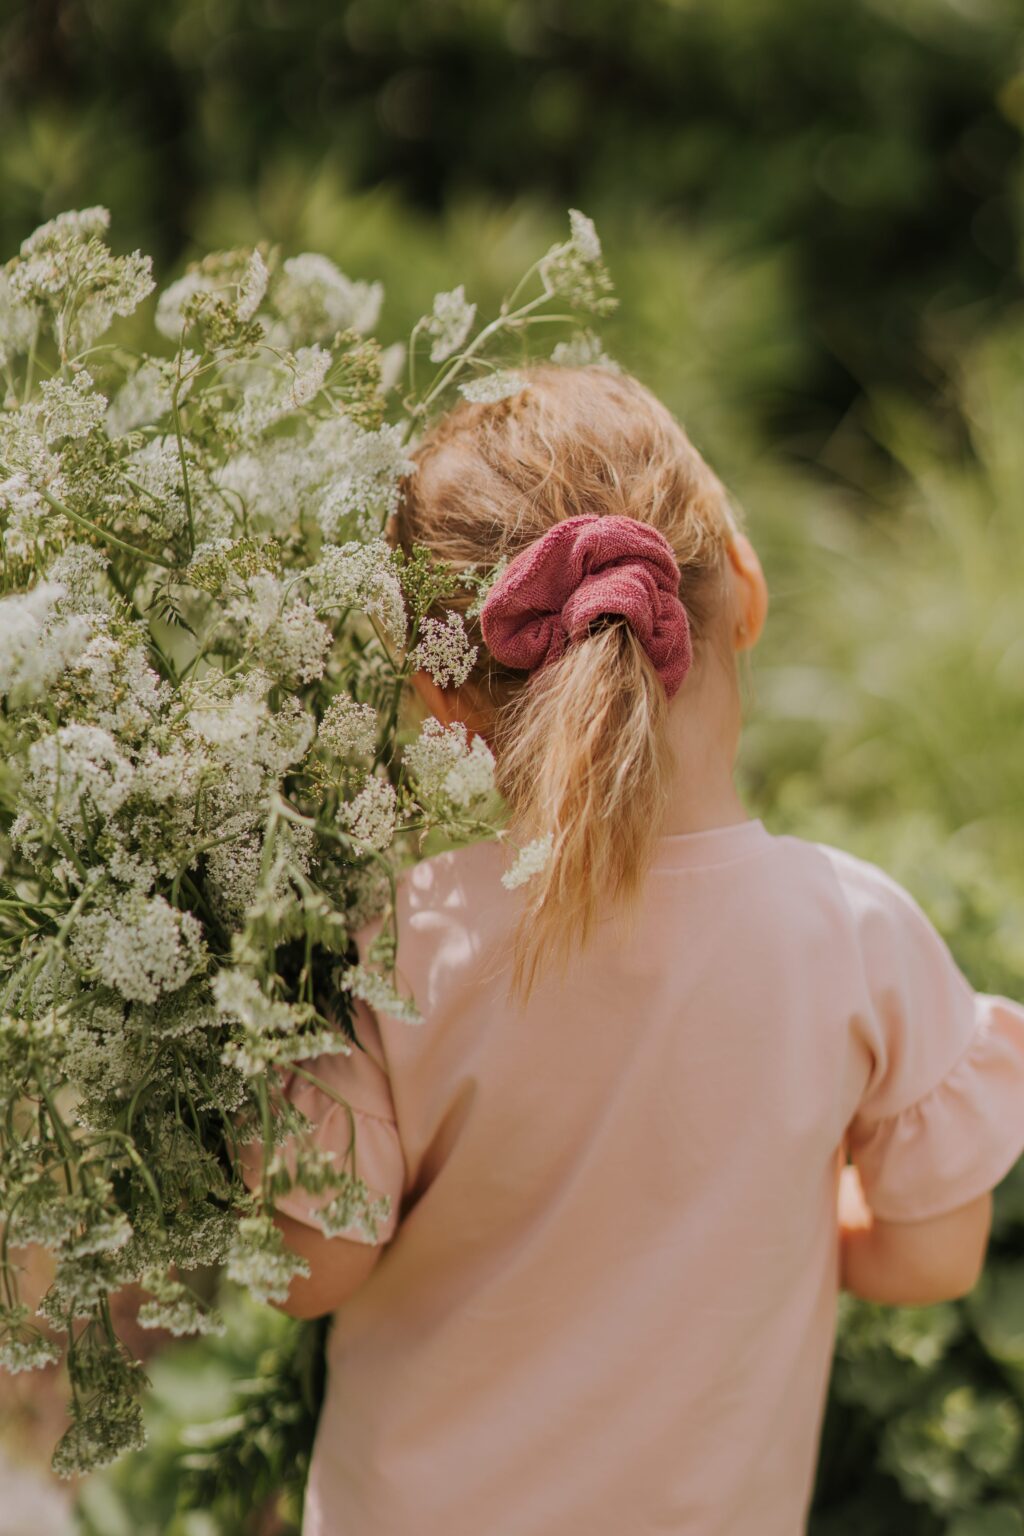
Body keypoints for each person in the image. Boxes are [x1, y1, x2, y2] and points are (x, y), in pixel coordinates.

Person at [243, 364, 1024, 1535]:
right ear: (744, 591)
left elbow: (313, 1274)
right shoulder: (857, 936)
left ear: (442, 701)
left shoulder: (400, 940)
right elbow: (931, 1261)